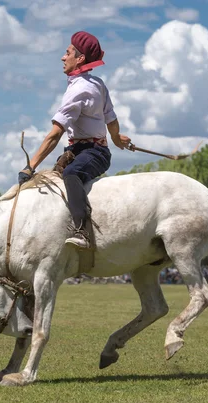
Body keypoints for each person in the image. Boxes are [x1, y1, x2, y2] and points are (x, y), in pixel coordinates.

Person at [17, 31, 133, 250]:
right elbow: (112, 119)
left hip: (93, 153)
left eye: (67, 52)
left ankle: (82, 231)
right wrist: (117, 139)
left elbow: (55, 134)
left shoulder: (80, 89)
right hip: (78, 150)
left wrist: (30, 166)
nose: (63, 57)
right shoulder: (97, 83)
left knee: (71, 174)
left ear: (80, 59)